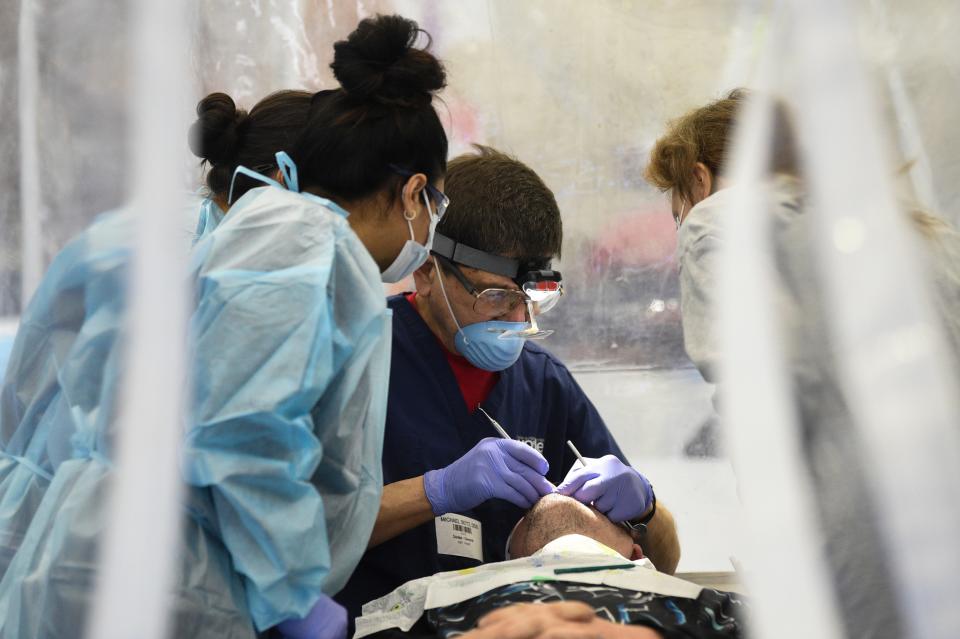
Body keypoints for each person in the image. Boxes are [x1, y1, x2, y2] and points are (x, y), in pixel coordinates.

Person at [0, 14, 448, 639]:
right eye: (437, 207)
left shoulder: (285, 240)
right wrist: (292, 590)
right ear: (413, 191)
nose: (429, 232)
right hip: (166, 581)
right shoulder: (304, 242)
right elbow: (242, 427)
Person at [645, 89, 960, 639]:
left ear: (699, 180)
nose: (682, 226)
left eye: (678, 212)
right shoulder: (914, 232)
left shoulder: (719, 221)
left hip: (863, 562)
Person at [336, 147, 681, 625]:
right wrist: (435, 491)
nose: (519, 320)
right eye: (494, 296)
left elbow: (661, 562)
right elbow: (300, 534)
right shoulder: (356, 362)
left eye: (532, 297)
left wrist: (643, 506)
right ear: (426, 270)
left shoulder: (541, 382)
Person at [0, 88, 314, 580]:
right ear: (283, 178)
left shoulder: (191, 232)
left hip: (73, 511)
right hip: (79, 532)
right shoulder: (192, 255)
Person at [354, 494, 745, 639]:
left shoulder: (728, 610)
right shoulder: (419, 604)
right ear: (511, 556)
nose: (559, 490)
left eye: (600, 503)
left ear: (636, 553)